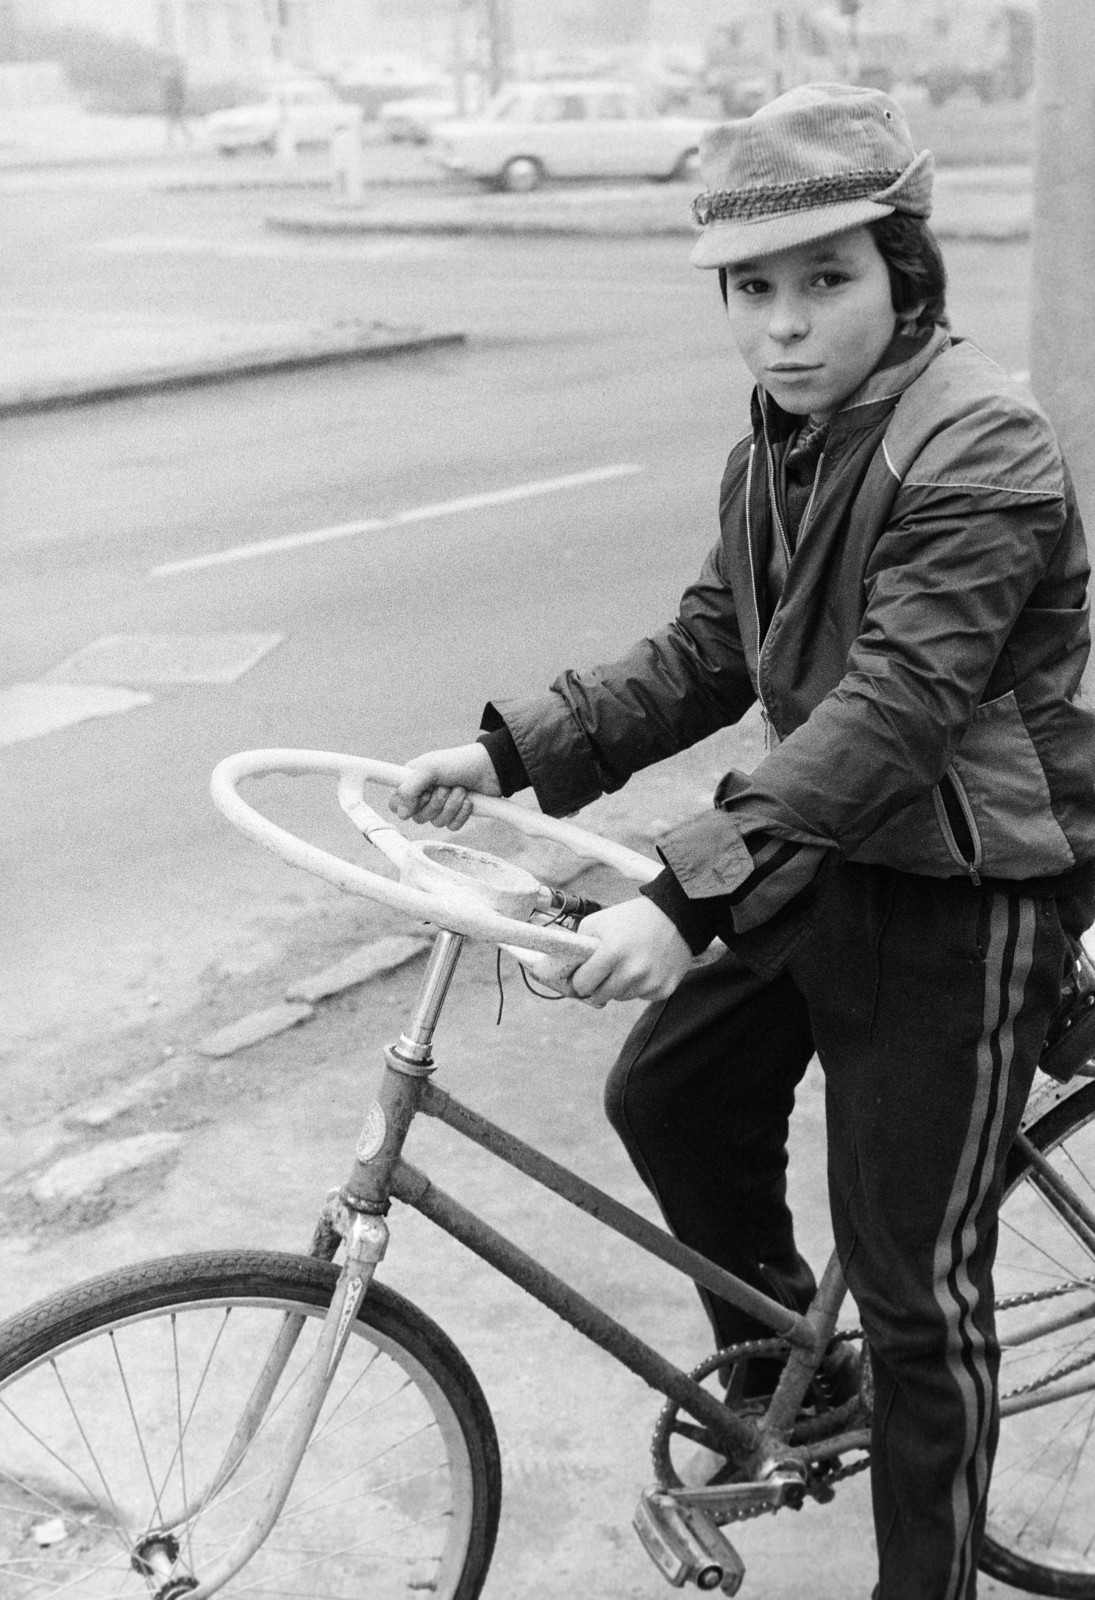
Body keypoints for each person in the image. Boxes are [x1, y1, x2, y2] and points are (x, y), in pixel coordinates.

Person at [388, 83, 1095, 1598]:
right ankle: (795, 1364)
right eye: (753, 291)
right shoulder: (780, 442)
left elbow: (896, 709)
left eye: (826, 280)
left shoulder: (983, 446)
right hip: (834, 852)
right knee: (670, 1087)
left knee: (918, 1301)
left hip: (968, 894)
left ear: (906, 275)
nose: (785, 326)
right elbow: (718, 647)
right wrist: (509, 748)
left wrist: (689, 895)